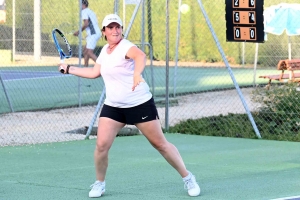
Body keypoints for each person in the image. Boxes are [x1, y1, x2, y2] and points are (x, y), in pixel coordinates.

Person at [59, 13, 200, 198]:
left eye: (118, 27)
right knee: (101, 145)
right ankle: (99, 184)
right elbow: (95, 72)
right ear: (104, 32)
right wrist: (69, 69)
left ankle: (188, 177)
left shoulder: (126, 46)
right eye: (111, 27)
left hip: (139, 104)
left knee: (160, 144)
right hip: (114, 106)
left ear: (121, 29)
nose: (115, 30)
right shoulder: (104, 52)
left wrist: (136, 74)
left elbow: (140, 56)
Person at [73, 0, 101, 67]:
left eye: (80, 4)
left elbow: (86, 24)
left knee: (89, 52)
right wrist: (88, 35)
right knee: (85, 51)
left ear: (83, 4)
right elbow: (92, 24)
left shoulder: (84, 11)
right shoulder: (90, 11)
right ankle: (85, 68)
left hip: (93, 34)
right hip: (93, 34)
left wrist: (78, 32)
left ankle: (103, 67)